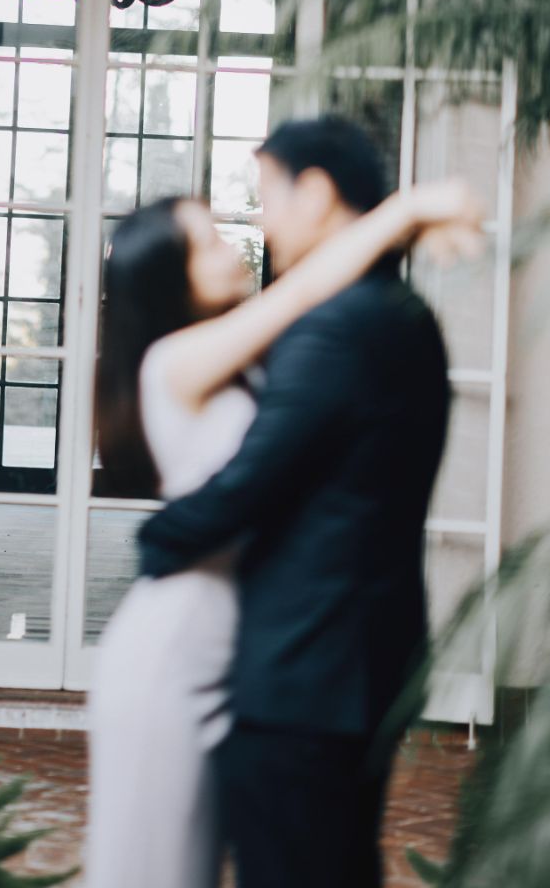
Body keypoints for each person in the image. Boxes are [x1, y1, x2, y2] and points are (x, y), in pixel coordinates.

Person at [86, 117, 478, 888]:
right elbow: (303, 290)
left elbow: (313, 298)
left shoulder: (257, 349)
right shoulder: (176, 360)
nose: (243, 238)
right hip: (176, 647)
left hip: (251, 652)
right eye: (208, 243)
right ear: (170, 279)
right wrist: (400, 213)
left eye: (254, 207)